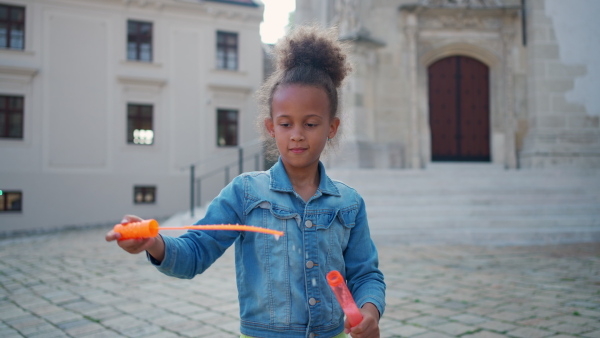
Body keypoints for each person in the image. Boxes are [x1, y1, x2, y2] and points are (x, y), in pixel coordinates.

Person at [106, 25, 385, 338]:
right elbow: (195, 251)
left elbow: (365, 274)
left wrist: (369, 311)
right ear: (270, 127)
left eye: (310, 123)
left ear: (331, 127)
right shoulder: (246, 193)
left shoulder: (349, 203)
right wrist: (154, 244)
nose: (296, 133)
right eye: (285, 123)